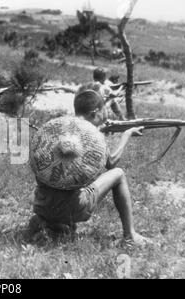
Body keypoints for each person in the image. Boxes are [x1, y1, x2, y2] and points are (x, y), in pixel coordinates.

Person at [29, 89, 152, 246]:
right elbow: (111, 163)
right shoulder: (92, 136)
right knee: (118, 173)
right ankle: (130, 235)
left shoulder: (55, 130)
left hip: (42, 205)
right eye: (102, 114)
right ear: (95, 112)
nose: (103, 120)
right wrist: (126, 135)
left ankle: (49, 223)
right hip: (72, 208)